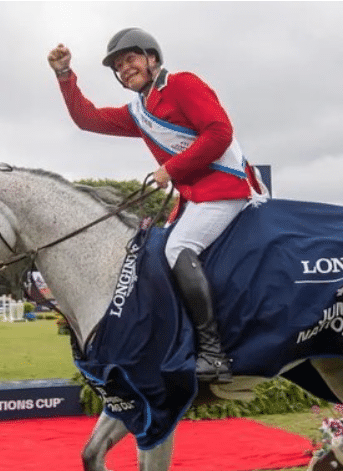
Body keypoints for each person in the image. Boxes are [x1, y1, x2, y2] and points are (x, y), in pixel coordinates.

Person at [48, 29, 267, 383]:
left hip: (223, 189)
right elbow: (87, 119)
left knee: (178, 247)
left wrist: (171, 169)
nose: (124, 68)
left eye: (130, 59)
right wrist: (64, 74)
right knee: (154, 255)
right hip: (193, 199)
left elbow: (219, 132)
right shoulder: (139, 111)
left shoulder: (182, 84)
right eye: (118, 66)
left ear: (151, 58)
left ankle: (213, 354)